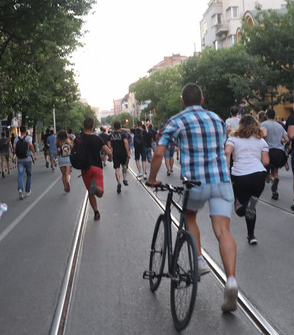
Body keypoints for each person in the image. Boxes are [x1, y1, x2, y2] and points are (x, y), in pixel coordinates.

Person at [146, 83, 239, 312]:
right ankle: (231, 280)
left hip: (195, 182)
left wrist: (152, 178)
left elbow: (159, 152)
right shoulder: (218, 119)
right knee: (223, 231)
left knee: (189, 216)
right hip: (221, 181)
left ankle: (198, 259)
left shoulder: (177, 120)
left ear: (182, 101)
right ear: (203, 99)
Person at [225, 115, 270, 246]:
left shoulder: (233, 138)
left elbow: (227, 152)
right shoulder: (261, 141)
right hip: (258, 177)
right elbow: (266, 161)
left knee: (240, 209)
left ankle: (251, 234)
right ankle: (251, 235)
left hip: (240, 177)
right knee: (251, 206)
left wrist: (226, 169)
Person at [77, 116, 112, 220]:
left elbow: (72, 150)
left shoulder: (79, 139)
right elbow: (108, 152)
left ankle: (96, 212)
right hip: (97, 167)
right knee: (100, 193)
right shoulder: (97, 138)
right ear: (93, 126)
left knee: (90, 192)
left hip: (85, 168)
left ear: (83, 126)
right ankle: (96, 187)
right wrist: (110, 158)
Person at [262, 108, 289, 200]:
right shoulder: (279, 126)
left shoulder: (264, 124)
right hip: (279, 152)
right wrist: (278, 140)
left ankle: (273, 180)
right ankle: (275, 193)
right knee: (275, 172)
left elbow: (264, 135)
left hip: (269, 152)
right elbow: (287, 139)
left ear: (267, 116)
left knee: (264, 173)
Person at [109, 121, 131, 193]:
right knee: (124, 166)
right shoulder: (123, 134)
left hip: (115, 153)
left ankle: (118, 182)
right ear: (120, 126)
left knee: (117, 168)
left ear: (114, 127)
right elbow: (126, 143)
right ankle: (124, 178)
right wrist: (128, 152)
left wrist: (110, 154)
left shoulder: (110, 135)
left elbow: (109, 146)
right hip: (123, 153)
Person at [15, 127, 37, 199]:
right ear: (26, 131)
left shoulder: (16, 139)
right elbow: (30, 145)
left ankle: (20, 189)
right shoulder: (28, 138)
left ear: (20, 131)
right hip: (28, 159)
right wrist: (34, 153)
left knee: (20, 175)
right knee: (29, 175)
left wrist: (15, 156)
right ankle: (27, 190)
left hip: (20, 160)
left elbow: (14, 149)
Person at [56, 127, 74, 193]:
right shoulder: (69, 143)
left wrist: (57, 153)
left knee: (63, 175)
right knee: (68, 174)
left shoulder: (58, 143)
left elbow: (58, 150)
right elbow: (72, 150)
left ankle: (65, 187)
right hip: (68, 159)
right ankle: (68, 182)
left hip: (61, 159)